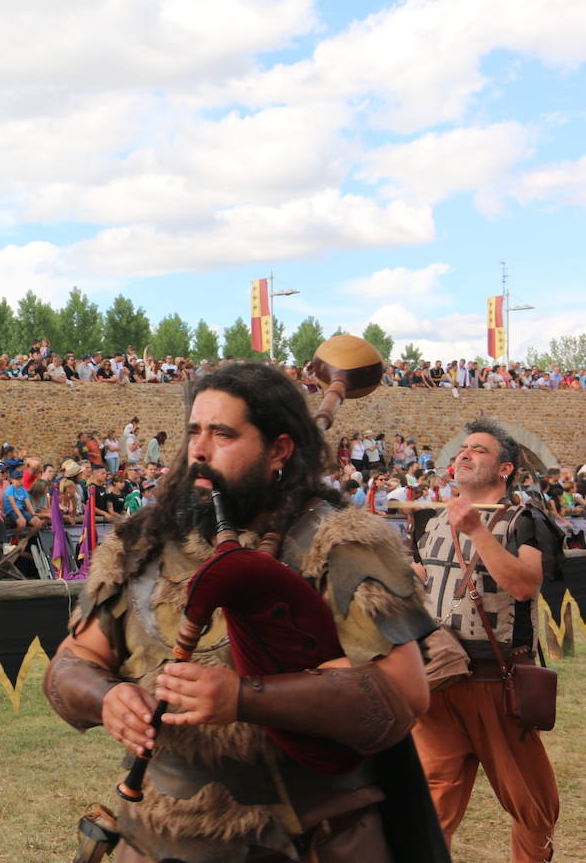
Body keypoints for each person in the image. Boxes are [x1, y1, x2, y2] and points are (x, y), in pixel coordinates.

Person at [42, 362, 443, 862]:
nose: (199, 450)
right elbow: (70, 662)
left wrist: (245, 697)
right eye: (194, 431)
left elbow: (405, 695)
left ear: (279, 450)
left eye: (222, 433)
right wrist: (106, 697)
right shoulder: (141, 545)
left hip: (309, 841)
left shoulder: (338, 544)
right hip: (155, 839)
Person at [411, 420, 561, 862]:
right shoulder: (429, 521)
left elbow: (524, 585)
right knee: (430, 809)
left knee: (535, 809)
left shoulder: (525, 520)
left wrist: (478, 530)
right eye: (463, 448)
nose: (464, 454)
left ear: (505, 469)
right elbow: (420, 580)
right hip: (437, 683)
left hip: (497, 686)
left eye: (479, 450)